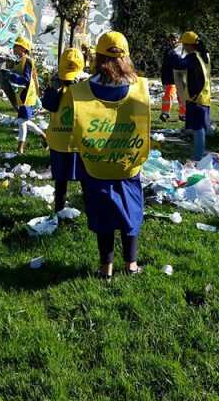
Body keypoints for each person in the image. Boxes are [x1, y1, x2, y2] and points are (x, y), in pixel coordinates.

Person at [70, 32, 150, 279]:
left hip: (96, 167)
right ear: (126, 57)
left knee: (103, 216)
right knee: (130, 213)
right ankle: (131, 265)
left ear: (98, 57)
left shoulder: (82, 89)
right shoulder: (140, 87)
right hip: (128, 164)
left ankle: (106, 269)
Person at [42, 48, 85, 215]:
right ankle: (60, 210)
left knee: (73, 180)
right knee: (71, 180)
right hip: (70, 141)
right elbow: (49, 105)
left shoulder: (84, 83)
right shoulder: (57, 83)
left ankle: (65, 209)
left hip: (66, 141)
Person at [7, 36, 46, 154]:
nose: (14, 48)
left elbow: (26, 79)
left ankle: (20, 148)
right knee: (23, 120)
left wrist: (11, 76)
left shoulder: (27, 60)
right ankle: (44, 136)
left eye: (16, 46)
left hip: (27, 94)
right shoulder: (21, 60)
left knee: (22, 121)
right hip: (22, 93)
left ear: (23, 49)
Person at [176, 31, 211, 161]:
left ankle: (198, 157)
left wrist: (173, 53)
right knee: (199, 127)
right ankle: (199, 154)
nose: (183, 48)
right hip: (204, 96)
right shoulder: (204, 55)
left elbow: (179, 64)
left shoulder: (192, 57)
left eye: (183, 45)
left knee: (198, 128)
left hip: (196, 97)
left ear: (188, 45)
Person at [159, 33, 186, 122]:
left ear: (178, 39)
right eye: (171, 40)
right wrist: (164, 79)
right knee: (169, 95)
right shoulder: (168, 51)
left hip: (180, 77)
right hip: (170, 78)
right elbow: (165, 66)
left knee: (182, 97)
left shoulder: (183, 50)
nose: (173, 41)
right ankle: (165, 113)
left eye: (174, 39)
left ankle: (183, 114)